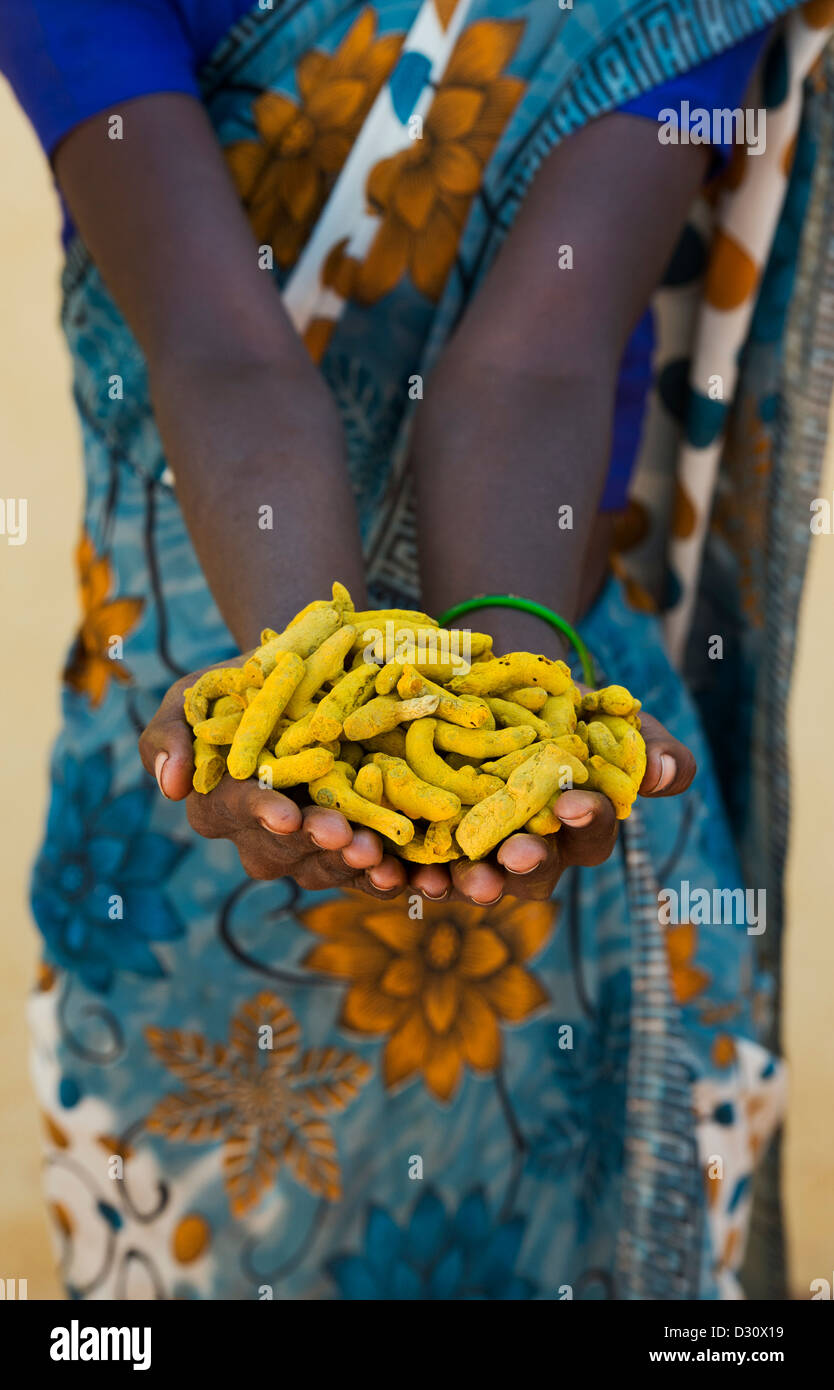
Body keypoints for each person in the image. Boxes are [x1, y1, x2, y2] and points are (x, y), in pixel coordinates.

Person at [3, 0, 827, 1299]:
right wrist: (310, 714)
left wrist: (507, 704)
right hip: (188, 776)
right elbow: (219, 348)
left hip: (547, 736)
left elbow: (535, 367)